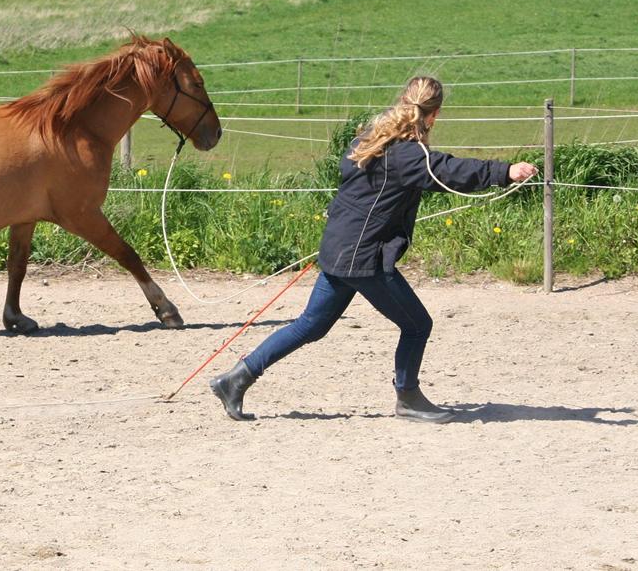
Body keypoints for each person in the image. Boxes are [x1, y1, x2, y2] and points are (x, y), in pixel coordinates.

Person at [209, 76, 539, 423]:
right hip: (361, 258)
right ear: (434, 114)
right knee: (417, 325)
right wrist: (505, 171)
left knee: (310, 326)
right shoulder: (408, 154)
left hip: (340, 250)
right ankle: (408, 399)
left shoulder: (371, 139)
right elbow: (448, 170)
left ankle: (236, 379)